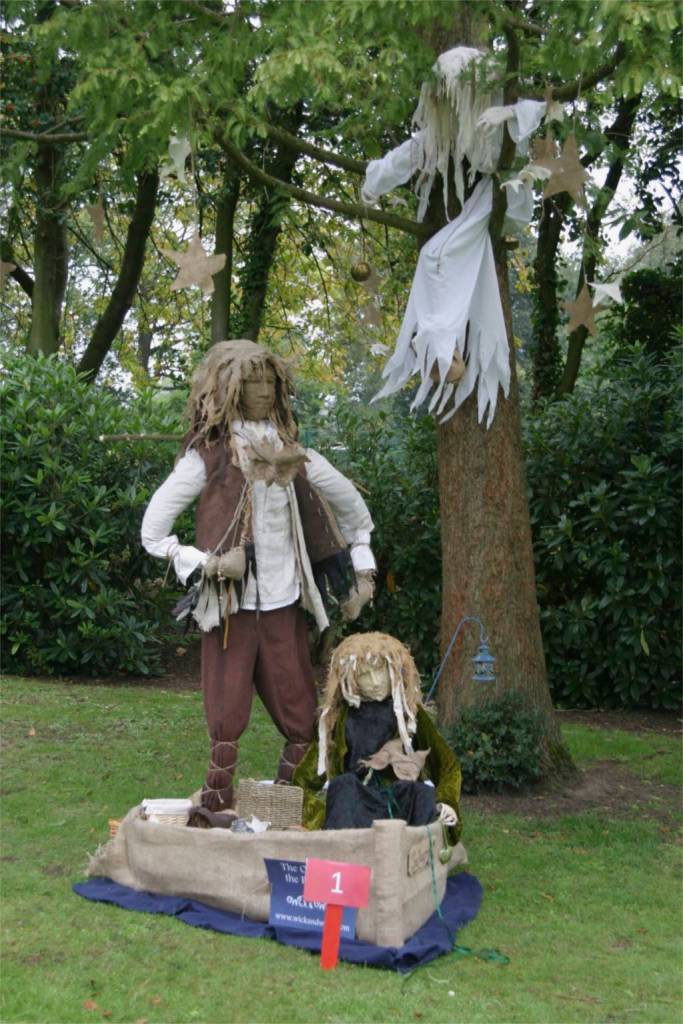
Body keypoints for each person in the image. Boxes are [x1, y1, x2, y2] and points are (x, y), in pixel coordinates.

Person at [141, 339, 375, 811]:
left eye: (270, 381)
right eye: (253, 383)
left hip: (283, 604)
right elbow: (152, 532)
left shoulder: (294, 455)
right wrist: (208, 563)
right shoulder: (208, 458)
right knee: (226, 716)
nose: (264, 391)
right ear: (230, 388)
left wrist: (363, 569)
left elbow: (353, 509)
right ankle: (215, 803)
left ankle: (283, 804)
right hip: (231, 608)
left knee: (301, 716)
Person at [292, 632, 462, 843]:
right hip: (355, 804)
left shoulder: (409, 714)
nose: (374, 682)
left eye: (380, 672)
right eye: (365, 674)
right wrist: (321, 814)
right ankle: (345, 854)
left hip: (399, 803)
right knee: (344, 785)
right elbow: (303, 782)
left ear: (396, 671)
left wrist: (447, 802)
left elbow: (448, 765)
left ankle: (417, 854)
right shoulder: (338, 719)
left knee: (420, 793)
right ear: (349, 677)